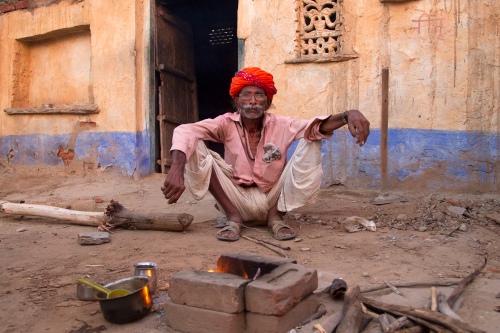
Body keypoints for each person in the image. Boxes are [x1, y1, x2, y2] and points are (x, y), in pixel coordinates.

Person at [161, 67, 370, 242]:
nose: (253, 101)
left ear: (267, 102)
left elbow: (316, 125)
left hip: (273, 197)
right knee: (194, 143)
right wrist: (177, 168)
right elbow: (184, 131)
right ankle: (233, 217)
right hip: (236, 198)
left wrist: (346, 115)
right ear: (237, 101)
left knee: (312, 137)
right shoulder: (225, 123)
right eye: (246, 95)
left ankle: (276, 218)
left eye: (259, 95)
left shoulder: (282, 124)